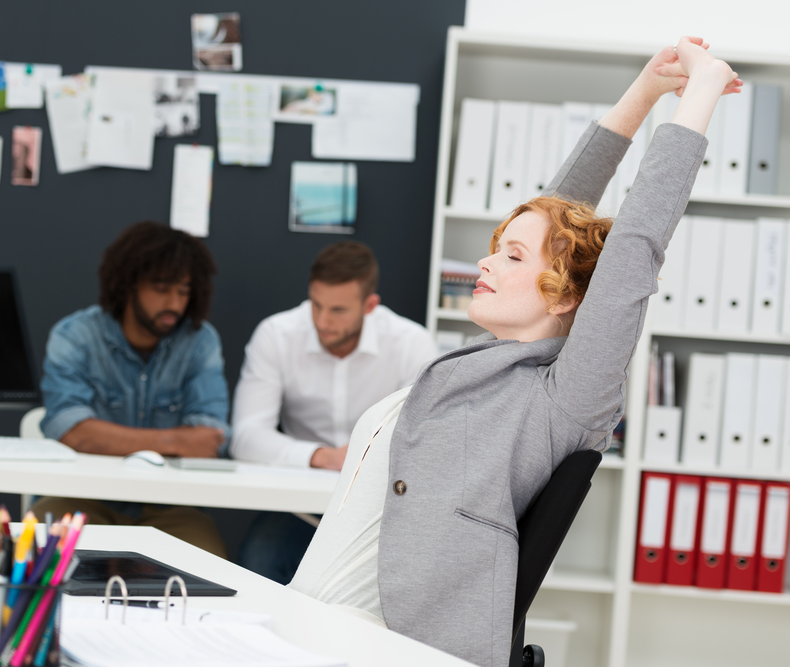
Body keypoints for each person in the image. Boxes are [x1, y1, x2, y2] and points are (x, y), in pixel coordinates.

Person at [289, 38, 740, 667]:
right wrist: (644, 92)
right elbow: (558, 211)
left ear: (566, 297)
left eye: (512, 257)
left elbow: (635, 244)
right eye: (497, 246)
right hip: (306, 630)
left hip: (385, 650)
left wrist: (700, 93)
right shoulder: (486, 362)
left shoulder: (562, 400)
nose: (485, 259)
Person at [230, 241, 438, 583]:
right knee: (259, 558)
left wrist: (362, 459)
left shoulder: (410, 344)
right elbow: (246, 436)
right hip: (297, 508)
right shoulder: (277, 335)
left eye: (338, 310)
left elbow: (421, 440)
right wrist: (322, 456)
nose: (322, 321)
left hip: (378, 510)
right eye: (316, 305)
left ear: (370, 305)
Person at [33, 221, 230, 558]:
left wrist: (106, 437)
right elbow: (73, 433)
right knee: (38, 556)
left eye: (184, 291)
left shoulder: (200, 340)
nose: (175, 303)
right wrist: (174, 441)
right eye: (161, 288)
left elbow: (209, 439)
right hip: (83, 499)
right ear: (128, 285)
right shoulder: (75, 336)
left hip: (171, 510)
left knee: (210, 568)